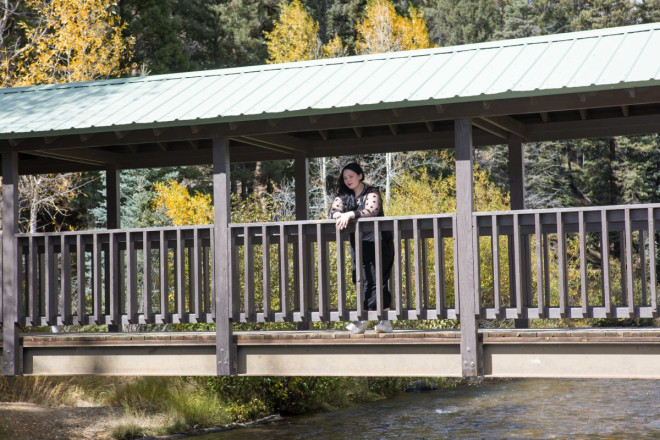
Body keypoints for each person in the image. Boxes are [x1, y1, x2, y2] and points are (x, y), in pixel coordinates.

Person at [329, 162, 395, 334]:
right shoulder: (344, 195)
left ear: (360, 176)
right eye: (345, 178)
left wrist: (350, 214)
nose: (348, 180)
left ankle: (366, 320)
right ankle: (382, 322)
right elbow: (334, 209)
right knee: (359, 279)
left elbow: (371, 210)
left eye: (351, 176)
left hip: (380, 242)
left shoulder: (371, 192)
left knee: (377, 280)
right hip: (359, 244)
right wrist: (337, 214)